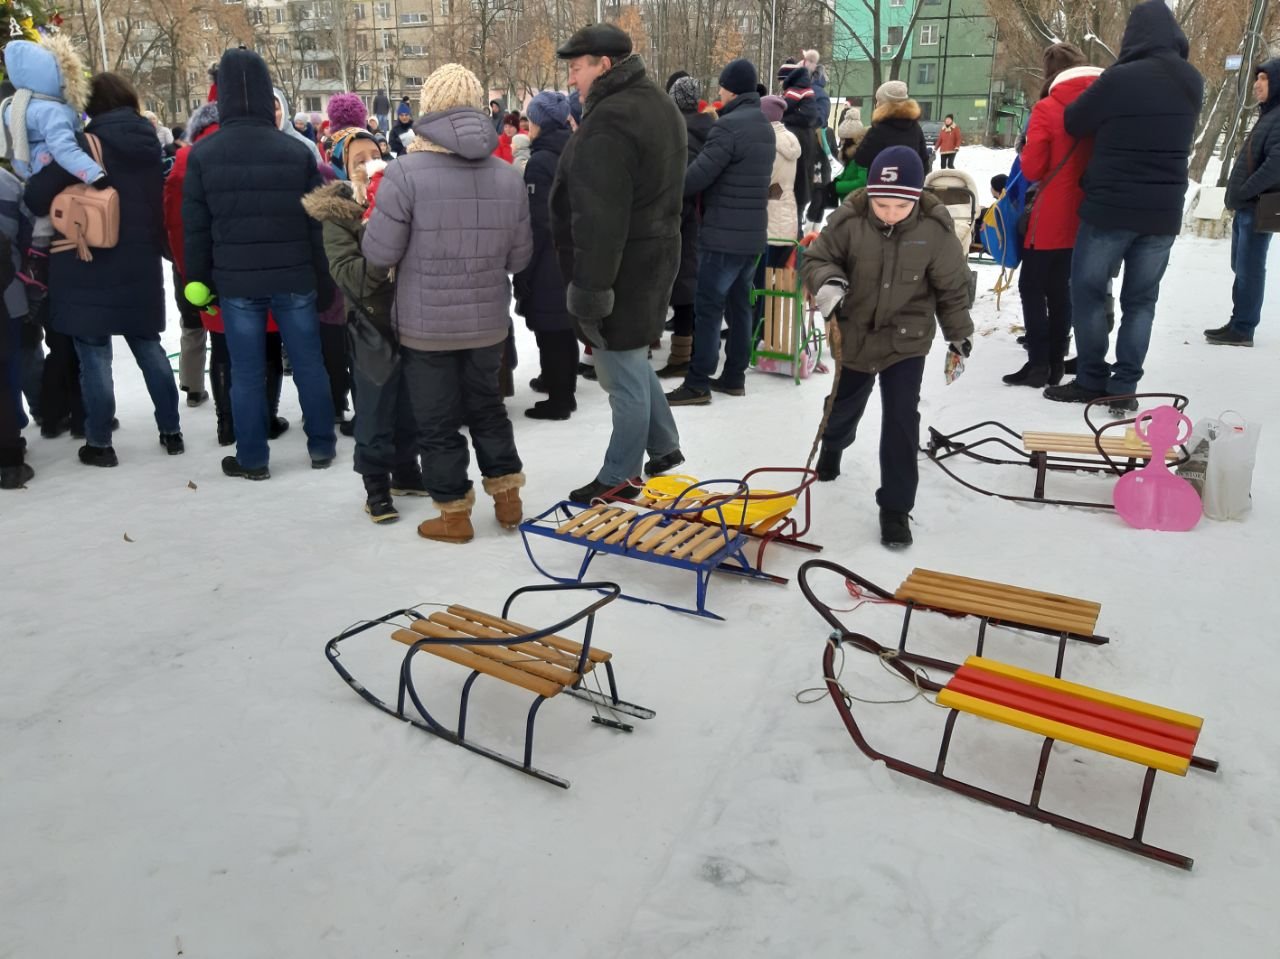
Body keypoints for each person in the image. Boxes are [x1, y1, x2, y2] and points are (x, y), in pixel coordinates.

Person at [362, 63, 532, 543]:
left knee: (436, 421)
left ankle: (453, 514)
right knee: (487, 408)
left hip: (425, 326)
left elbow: (379, 253)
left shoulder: (404, 172)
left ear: (429, 107)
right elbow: (520, 257)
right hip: (486, 324)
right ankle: (507, 498)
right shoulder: (506, 175)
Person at [802, 146, 973, 548]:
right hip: (856, 331)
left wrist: (959, 333)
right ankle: (834, 445)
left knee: (900, 418)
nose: (890, 212)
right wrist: (827, 281)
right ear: (870, 195)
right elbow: (815, 258)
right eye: (882, 203)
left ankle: (895, 508)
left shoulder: (934, 229)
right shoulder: (849, 220)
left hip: (906, 339)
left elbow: (951, 288)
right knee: (845, 405)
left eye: (900, 205)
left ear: (915, 199)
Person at [183, 48, 337, 480]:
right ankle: (322, 446)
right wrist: (323, 279)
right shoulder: (296, 151)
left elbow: (196, 229)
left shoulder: (203, 155)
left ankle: (252, 458)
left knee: (246, 372)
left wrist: (198, 282)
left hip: (236, 281)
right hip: (295, 275)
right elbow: (315, 225)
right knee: (309, 364)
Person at [549, 23, 686, 501]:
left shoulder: (611, 119)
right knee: (630, 360)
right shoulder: (655, 101)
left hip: (620, 269)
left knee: (619, 374)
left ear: (604, 64)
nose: (572, 79)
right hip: (652, 258)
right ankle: (664, 446)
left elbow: (598, 222)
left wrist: (589, 294)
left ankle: (620, 477)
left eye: (577, 68)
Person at [1044, 0, 1203, 411]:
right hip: (1163, 213)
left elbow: (1075, 120)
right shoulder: (1192, 80)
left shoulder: (1120, 77)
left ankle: (1092, 379)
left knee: (1090, 292)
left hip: (1109, 208)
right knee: (1141, 302)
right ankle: (1126, 385)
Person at [23, 72, 180, 468]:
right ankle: (171, 430)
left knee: (94, 354)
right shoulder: (150, 143)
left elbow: (38, 196)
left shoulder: (84, 144)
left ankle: (99, 443)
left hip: (85, 261)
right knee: (148, 346)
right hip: (139, 261)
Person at [305, 132, 424, 523]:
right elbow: (350, 276)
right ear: (344, 165)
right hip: (370, 322)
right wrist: (384, 241)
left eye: (376, 154)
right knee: (375, 408)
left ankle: (406, 471)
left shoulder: (402, 197)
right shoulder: (338, 212)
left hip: (409, 317)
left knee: (410, 402)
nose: (370, 162)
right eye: (359, 158)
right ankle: (375, 485)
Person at [664, 58, 773, 407]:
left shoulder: (728, 128)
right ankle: (734, 375)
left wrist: (667, 185)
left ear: (731, 88)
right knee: (740, 306)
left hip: (722, 235)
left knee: (708, 309)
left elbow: (696, 177)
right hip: (753, 235)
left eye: (722, 86)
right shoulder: (764, 126)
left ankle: (697, 381)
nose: (718, 92)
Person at [1003, 44, 1101, 388]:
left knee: (1032, 286)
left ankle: (1038, 365)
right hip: (1087, 213)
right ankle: (1058, 362)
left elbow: (1033, 167)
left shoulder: (1047, 108)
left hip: (1051, 214)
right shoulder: (1102, 105)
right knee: (1062, 289)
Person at [2, 36, 107, 311]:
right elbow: (65, 150)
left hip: (28, 168)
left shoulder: (17, 105)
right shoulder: (53, 111)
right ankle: (37, 261)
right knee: (48, 216)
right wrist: (94, 173)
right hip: (48, 168)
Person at [513, 91, 578, 420]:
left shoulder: (540, 162)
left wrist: (523, 270)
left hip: (549, 255)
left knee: (549, 326)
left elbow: (537, 222)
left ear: (539, 122)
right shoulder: (575, 147)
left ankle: (560, 398)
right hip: (573, 250)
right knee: (564, 324)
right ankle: (562, 383)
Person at [1209, 58, 1280, 347]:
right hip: (1248, 205)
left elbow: (1276, 164)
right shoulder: (1269, 115)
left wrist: (1247, 191)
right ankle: (1239, 321)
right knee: (1242, 265)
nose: (1257, 84)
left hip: (1257, 205)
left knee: (1250, 267)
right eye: (1257, 78)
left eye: (1264, 78)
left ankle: (1243, 328)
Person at [657, 74, 715, 380]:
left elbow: (682, 179)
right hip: (705, 218)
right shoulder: (708, 128)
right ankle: (688, 349)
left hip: (683, 218)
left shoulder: (680, 132)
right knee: (690, 284)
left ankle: (682, 354)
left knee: (682, 286)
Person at [754, 94, 800, 323]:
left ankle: (758, 327)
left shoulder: (768, 141)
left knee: (761, 277)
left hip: (769, 214)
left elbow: (765, 178)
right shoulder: (790, 139)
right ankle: (768, 325)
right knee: (776, 276)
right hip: (787, 209)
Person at [853, 80, 931, 176]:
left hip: (882, 184)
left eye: (879, 101)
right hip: (910, 186)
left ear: (886, 104)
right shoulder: (916, 128)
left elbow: (861, 159)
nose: (877, 105)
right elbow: (924, 163)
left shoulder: (879, 129)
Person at [778, 64, 821, 228]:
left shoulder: (788, 131)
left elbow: (780, 173)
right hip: (801, 189)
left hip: (785, 195)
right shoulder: (809, 127)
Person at [831, 107, 868, 202]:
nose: (841, 143)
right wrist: (837, 180)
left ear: (853, 140)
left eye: (844, 139)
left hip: (856, 202)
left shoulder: (862, 155)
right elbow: (848, 173)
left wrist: (837, 186)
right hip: (848, 201)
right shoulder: (850, 155)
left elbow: (861, 182)